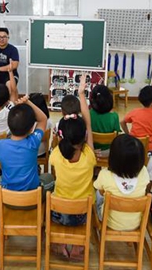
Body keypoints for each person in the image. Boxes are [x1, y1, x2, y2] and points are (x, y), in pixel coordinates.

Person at [48, 77, 97, 260]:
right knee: (96, 197)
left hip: (60, 212)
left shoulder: (56, 157)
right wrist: (82, 93)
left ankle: (60, 244)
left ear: (62, 136)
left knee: (48, 191)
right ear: (84, 137)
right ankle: (77, 247)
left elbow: (62, 141)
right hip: (82, 214)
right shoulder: (89, 156)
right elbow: (88, 124)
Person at [0, 95, 53, 193]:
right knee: (49, 178)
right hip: (32, 198)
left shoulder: (0, 145)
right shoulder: (33, 143)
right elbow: (43, 119)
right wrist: (28, 102)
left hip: (8, 197)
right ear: (31, 129)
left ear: (9, 125)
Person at [93, 134, 149, 231]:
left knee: (97, 193)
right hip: (135, 223)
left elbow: (100, 192)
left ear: (113, 158)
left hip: (109, 221)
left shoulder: (105, 175)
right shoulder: (144, 172)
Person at [120, 86, 152, 152]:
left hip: (133, 144)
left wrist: (128, 134)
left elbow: (122, 122)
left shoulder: (135, 111)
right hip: (149, 147)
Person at [89, 85, 121, 157]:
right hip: (108, 152)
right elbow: (116, 136)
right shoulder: (114, 116)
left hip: (91, 149)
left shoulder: (88, 114)